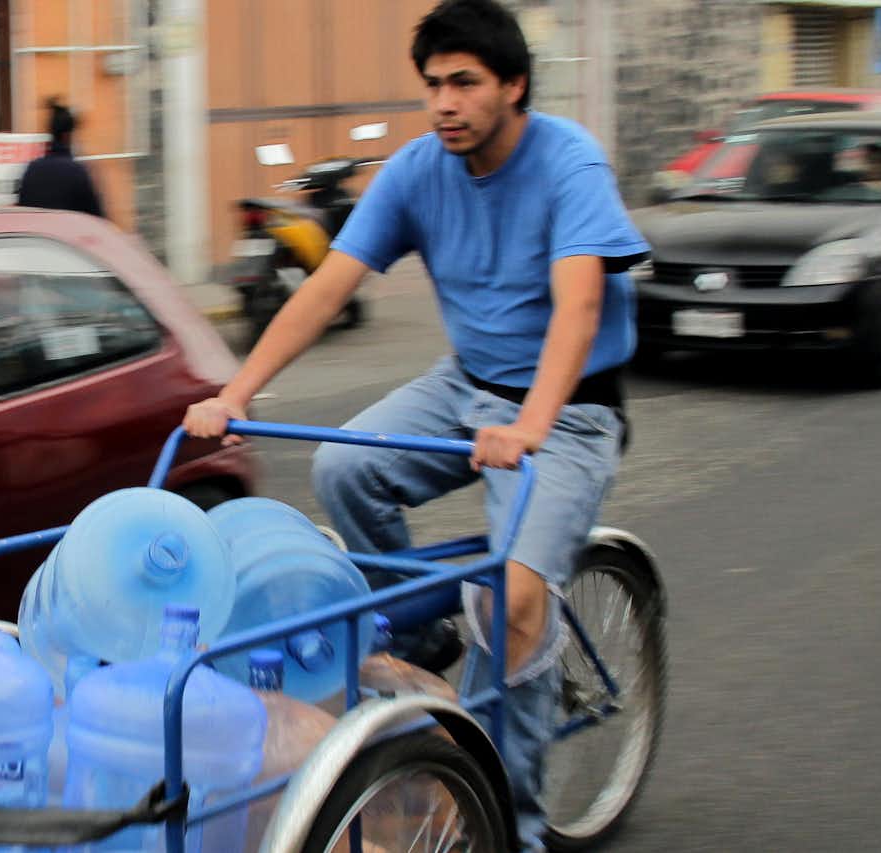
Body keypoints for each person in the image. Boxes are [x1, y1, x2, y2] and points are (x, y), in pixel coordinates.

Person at [178, 0, 644, 846]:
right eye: (432, 85)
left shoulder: (568, 162)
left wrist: (533, 423)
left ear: (513, 84)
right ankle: (423, 631)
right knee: (342, 469)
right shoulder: (418, 170)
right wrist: (237, 391)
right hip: (465, 385)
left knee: (513, 603)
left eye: (465, 83)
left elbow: (579, 305)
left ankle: (516, 824)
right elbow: (326, 287)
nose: (444, 103)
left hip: (567, 411)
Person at [13, 97, 107, 219]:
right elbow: (98, 218)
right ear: (67, 135)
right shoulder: (77, 172)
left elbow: (21, 211)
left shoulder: (32, 169)